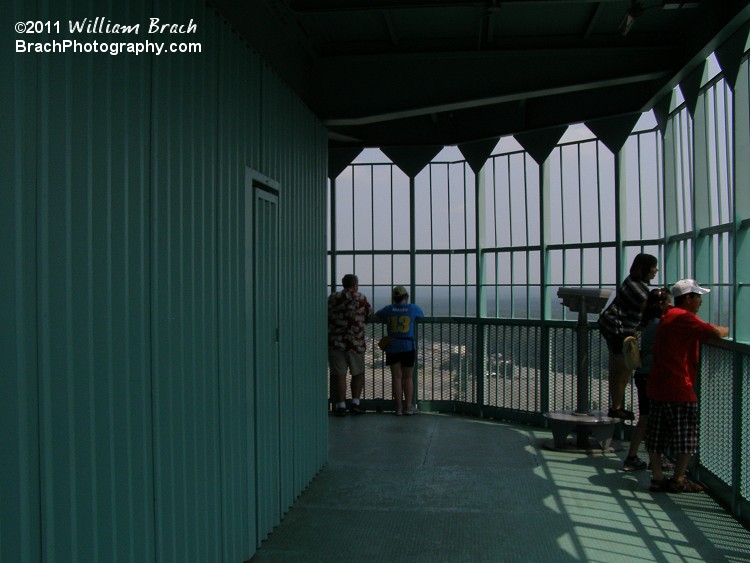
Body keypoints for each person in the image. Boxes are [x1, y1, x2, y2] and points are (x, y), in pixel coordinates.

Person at [646, 279, 729, 493]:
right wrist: (728, 329)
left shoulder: (668, 316)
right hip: (678, 387)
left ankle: (657, 477)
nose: (701, 301)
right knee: (687, 437)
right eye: (698, 297)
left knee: (656, 434)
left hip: (657, 385)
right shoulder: (683, 318)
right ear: (689, 298)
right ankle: (678, 478)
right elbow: (716, 333)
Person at [598, 253, 658, 419]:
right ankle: (616, 407)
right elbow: (647, 311)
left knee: (618, 368)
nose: (655, 270)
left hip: (615, 327)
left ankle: (616, 405)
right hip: (619, 329)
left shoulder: (633, 283)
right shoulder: (637, 288)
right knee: (623, 368)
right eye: (653, 266)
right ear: (645, 268)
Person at [622, 287, 671, 471]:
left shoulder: (647, 323)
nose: (670, 305)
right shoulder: (659, 324)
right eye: (668, 302)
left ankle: (634, 456)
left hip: (643, 375)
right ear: (661, 304)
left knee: (645, 418)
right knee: (652, 419)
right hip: (652, 375)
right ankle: (655, 459)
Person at [328, 274, 373, 416]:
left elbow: (326, 315)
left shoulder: (333, 298)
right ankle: (355, 403)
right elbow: (369, 315)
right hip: (356, 343)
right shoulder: (360, 298)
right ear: (355, 285)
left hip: (336, 342)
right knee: (357, 373)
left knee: (339, 374)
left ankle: (340, 405)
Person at [375, 286, 424, 416]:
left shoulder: (388, 309)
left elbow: (377, 314)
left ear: (393, 298)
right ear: (406, 297)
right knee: (408, 377)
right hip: (408, 345)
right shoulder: (413, 308)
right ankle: (409, 406)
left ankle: (398, 408)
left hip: (392, 346)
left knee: (396, 378)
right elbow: (421, 315)